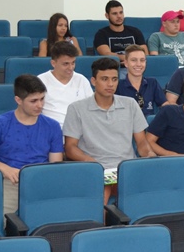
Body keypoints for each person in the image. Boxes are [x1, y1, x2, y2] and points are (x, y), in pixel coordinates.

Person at [63, 58, 154, 203]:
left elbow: (141, 142)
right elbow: (70, 148)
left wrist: (149, 155)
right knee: (104, 189)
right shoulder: (76, 108)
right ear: (93, 81)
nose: (110, 84)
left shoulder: (130, 104)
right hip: (94, 169)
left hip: (126, 168)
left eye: (114, 79)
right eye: (104, 79)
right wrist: (94, 165)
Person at [0, 74, 64, 214]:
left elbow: (55, 165)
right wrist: (5, 169)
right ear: (18, 100)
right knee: (1, 217)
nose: (40, 105)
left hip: (40, 181)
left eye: (42, 99)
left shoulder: (52, 126)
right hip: (10, 181)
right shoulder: (0, 123)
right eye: (33, 101)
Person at [38, 41, 93, 125]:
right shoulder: (41, 81)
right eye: (66, 64)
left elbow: (91, 108)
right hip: (51, 129)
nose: (71, 68)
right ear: (53, 63)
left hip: (79, 128)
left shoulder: (82, 80)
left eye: (73, 63)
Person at [117, 45, 166, 118]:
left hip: (149, 124)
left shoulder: (152, 83)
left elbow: (165, 105)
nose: (138, 64)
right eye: (134, 60)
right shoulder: (118, 85)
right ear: (126, 63)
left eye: (142, 60)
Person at [93, 0, 147, 65]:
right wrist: (131, 58)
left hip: (135, 66)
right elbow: (107, 54)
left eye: (121, 12)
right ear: (107, 16)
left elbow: (145, 53)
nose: (119, 16)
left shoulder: (135, 32)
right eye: (114, 13)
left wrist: (131, 60)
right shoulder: (101, 34)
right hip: (114, 67)